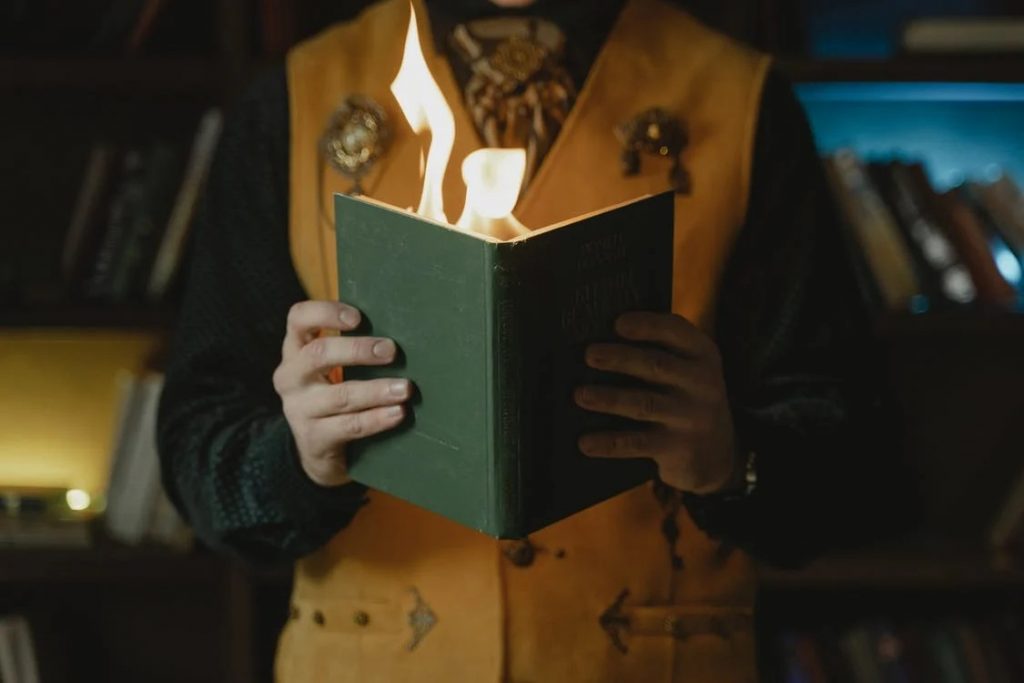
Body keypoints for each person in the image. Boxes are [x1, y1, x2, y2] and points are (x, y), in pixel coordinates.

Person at [158, 0, 892, 680]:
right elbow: (198, 451)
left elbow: (852, 462)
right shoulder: (292, 99)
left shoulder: (742, 99)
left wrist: (734, 458)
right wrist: (296, 460)